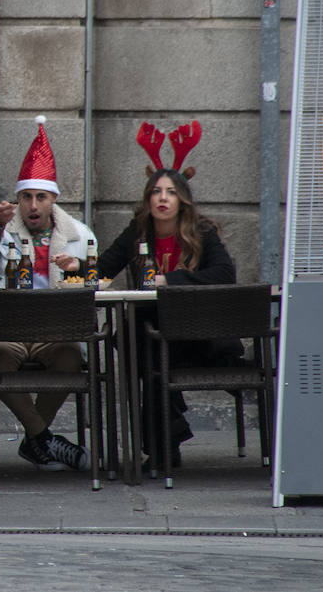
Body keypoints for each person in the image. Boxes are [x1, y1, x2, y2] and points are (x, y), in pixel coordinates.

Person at [0, 116, 94, 471]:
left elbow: (97, 282)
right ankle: (44, 439)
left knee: (71, 360)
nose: (33, 206)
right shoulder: (0, 228)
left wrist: (78, 271)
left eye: (40, 197)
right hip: (10, 331)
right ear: (18, 199)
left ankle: (36, 439)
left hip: (57, 330)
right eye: (26, 197)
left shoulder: (80, 234)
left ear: (53, 199)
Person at [97, 167, 240, 466]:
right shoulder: (137, 232)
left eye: (171, 192)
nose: (162, 198)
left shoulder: (202, 231)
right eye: (156, 192)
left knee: (145, 352)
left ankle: (164, 448)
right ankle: (166, 446)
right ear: (148, 198)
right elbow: (103, 269)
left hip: (198, 331)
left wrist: (170, 280)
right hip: (155, 331)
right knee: (144, 349)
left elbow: (225, 273)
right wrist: (78, 268)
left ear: (182, 200)